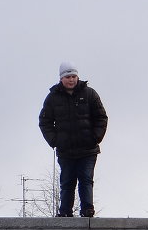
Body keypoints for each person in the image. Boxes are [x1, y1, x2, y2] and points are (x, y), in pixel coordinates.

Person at [37, 62, 108, 217]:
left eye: (74, 76)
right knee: (67, 181)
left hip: (88, 149)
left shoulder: (90, 94)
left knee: (86, 179)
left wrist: (95, 137)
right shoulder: (52, 98)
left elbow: (101, 117)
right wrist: (55, 140)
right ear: (62, 78)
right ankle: (65, 212)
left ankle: (87, 210)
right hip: (66, 150)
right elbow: (44, 121)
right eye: (68, 77)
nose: (71, 80)